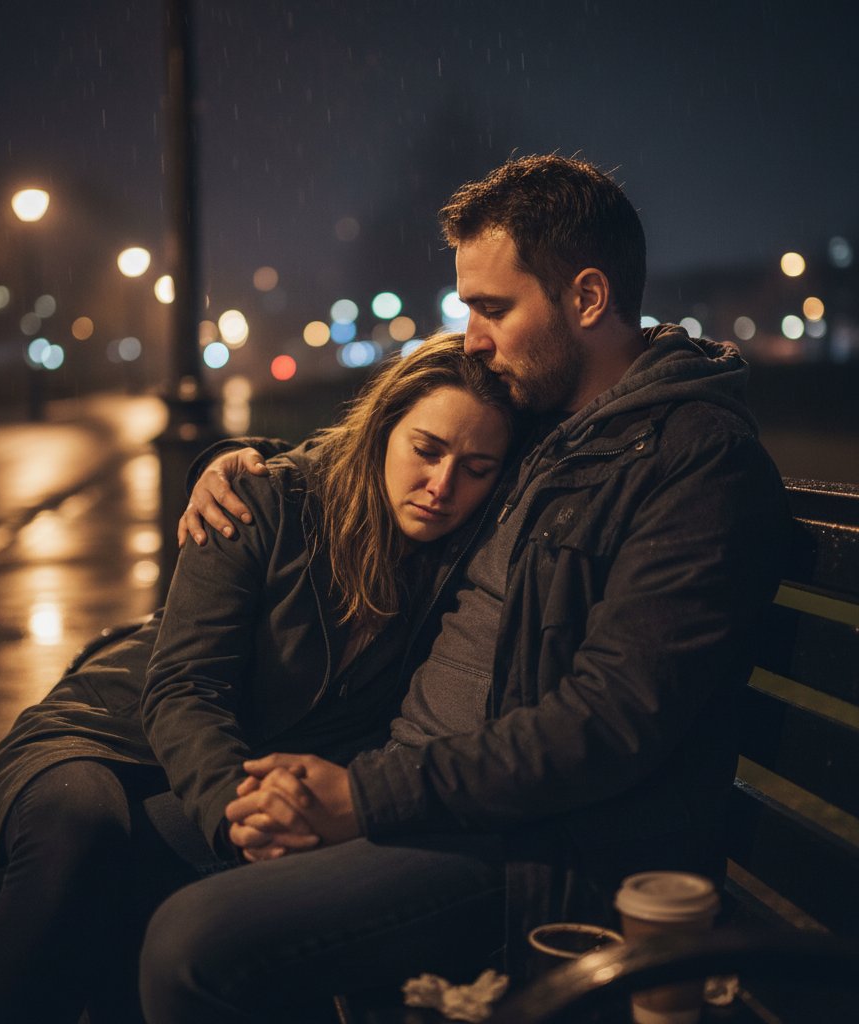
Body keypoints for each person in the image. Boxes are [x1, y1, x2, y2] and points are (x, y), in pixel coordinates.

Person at [138, 154, 789, 1022]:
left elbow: (610, 720)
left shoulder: (694, 458)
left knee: (194, 946)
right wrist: (234, 468)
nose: (472, 337)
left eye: (492, 307)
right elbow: (403, 436)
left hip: (520, 846)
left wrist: (363, 797)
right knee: (106, 832)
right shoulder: (544, 427)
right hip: (405, 788)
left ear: (587, 300)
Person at [0, 333, 518, 1024]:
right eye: (427, 450)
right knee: (78, 822)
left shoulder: (461, 563)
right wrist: (237, 817)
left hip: (226, 762)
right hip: (114, 731)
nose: (443, 485)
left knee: (26, 903)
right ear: (385, 427)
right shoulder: (269, 501)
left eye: (477, 467)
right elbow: (183, 688)